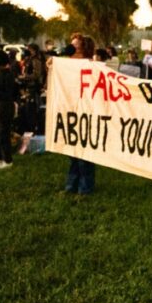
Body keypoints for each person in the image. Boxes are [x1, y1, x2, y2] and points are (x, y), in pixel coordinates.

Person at [64, 33, 97, 194]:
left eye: (75, 46)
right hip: (71, 111)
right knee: (72, 152)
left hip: (86, 112)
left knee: (84, 152)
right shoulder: (67, 64)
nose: (71, 49)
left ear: (84, 49)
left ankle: (85, 188)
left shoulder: (91, 65)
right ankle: (71, 186)